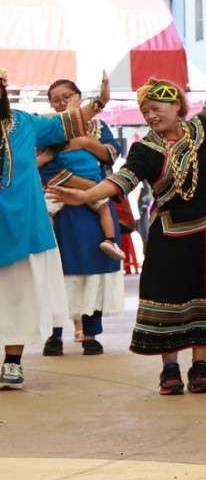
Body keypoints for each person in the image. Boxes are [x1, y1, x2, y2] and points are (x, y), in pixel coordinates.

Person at [55, 82, 206, 393]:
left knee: (203, 299)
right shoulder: (145, 149)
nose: (151, 116)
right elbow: (120, 181)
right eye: (145, 111)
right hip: (168, 234)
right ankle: (170, 369)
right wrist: (85, 195)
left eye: (156, 108)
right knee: (166, 299)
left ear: (178, 105)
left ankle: (200, 368)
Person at [2, 69, 104, 389]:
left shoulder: (25, 123)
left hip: (23, 224)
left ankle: (12, 363)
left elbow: (68, 122)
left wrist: (99, 102)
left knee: (17, 296)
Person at [37, 76, 125, 355]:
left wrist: (86, 141)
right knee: (57, 269)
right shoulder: (50, 130)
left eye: (66, 96)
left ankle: (90, 333)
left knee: (94, 268)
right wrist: (91, 189)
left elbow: (110, 157)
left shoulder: (99, 127)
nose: (61, 102)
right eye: (55, 99)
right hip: (62, 206)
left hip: (95, 209)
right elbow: (46, 170)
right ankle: (54, 334)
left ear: (78, 97)